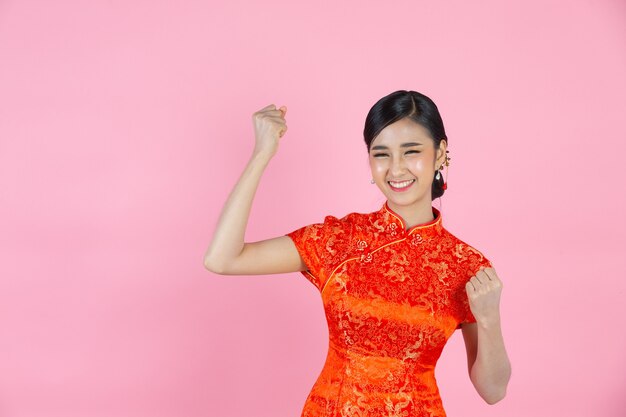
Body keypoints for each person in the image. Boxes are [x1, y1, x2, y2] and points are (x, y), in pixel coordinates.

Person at [204, 90, 511, 416]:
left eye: (411, 152)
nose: (396, 168)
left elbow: (492, 391)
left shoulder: (465, 266)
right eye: (381, 154)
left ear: (440, 154)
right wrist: (262, 154)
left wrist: (490, 319)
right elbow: (222, 259)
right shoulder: (338, 240)